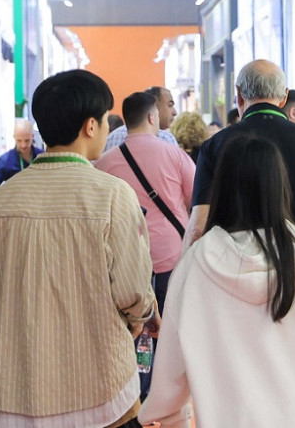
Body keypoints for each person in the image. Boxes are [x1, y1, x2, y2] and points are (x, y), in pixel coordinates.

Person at [0, 69, 158, 428]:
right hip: (104, 395)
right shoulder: (112, 196)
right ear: (91, 126)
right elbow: (132, 291)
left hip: (18, 399)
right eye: (105, 120)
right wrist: (142, 316)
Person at [139, 135, 295, 427]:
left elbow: (172, 368)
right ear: (281, 186)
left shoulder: (197, 262)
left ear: (221, 187)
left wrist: (165, 414)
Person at [186, 59, 295, 335]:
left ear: (239, 95)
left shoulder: (215, 147)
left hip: (234, 288)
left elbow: (197, 230)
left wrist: (186, 295)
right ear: (284, 97)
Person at [95, 92, 195, 399]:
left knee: (130, 329)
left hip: (124, 263)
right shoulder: (175, 155)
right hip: (170, 257)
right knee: (169, 328)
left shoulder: (106, 162)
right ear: (152, 117)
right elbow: (196, 200)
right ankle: (163, 394)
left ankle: (133, 390)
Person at [0, 119, 43, 205]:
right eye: (19, 141)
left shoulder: (42, 157)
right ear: (14, 137)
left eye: (27, 140)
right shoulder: (5, 161)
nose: (23, 145)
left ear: (32, 136)